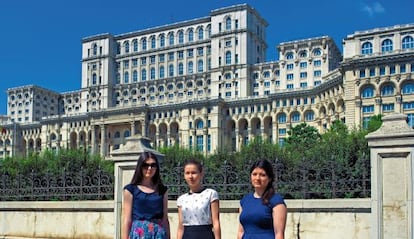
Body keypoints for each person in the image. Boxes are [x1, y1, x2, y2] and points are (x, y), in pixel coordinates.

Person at [122, 152, 170, 239]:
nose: (149, 168)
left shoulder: (162, 190)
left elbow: (165, 219)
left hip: (158, 234)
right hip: (138, 234)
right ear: (140, 167)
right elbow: (127, 219)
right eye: (145, 165)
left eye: (153, 165)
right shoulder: (130, 190)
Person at [237, 159, 287, 239]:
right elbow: (240, 232)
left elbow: (279, 234)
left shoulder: (276, 201)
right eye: (254, 174)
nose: (257, 178)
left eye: (262, 175)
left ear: (269, 178)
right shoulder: (245, 201)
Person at [176, 159, 221, 239]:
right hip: (187, 235)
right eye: (187, 173)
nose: (190, 176)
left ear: (201, 174)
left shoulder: (211, 194)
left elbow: (216, 222)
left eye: (194, 173)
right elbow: (180, 226)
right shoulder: (181, 199)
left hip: (205, 235)